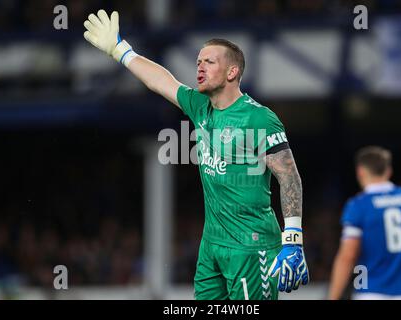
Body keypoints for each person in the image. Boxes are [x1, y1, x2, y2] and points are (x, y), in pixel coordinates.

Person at [83, 9, 309, 300]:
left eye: (209, 62)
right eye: (198, 62)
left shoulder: (259, 119)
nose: (199, 67)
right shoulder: (200, 106)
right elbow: (161, 81)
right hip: (211, 245)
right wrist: (120, 49)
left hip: (251, 247)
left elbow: (289, 175)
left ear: (232, 72)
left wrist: (293, 240)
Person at [328, 146, 401, 300]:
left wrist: (333, 296)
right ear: (388, 171)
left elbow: (348, 256)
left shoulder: (359, 205)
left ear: (360, 171)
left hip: (369, 291)